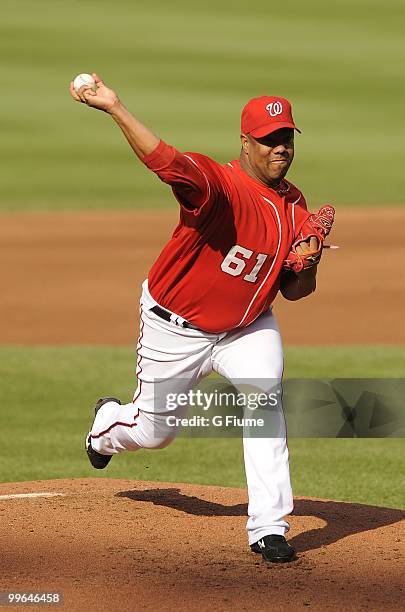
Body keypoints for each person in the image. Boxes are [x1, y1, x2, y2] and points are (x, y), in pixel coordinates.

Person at [69, 74, 334, 564]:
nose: (281, 148)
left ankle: (269, 527)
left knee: (265, 402)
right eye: (270, 140)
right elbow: (166, 162)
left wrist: (310, 264)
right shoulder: (217, 185)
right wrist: (115, 106)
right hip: (176, 326)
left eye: (287, 138)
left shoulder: (296, 204)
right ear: (246, 142)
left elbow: (296, 292)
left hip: (247, 328)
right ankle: (106, 425)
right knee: (155, 433)